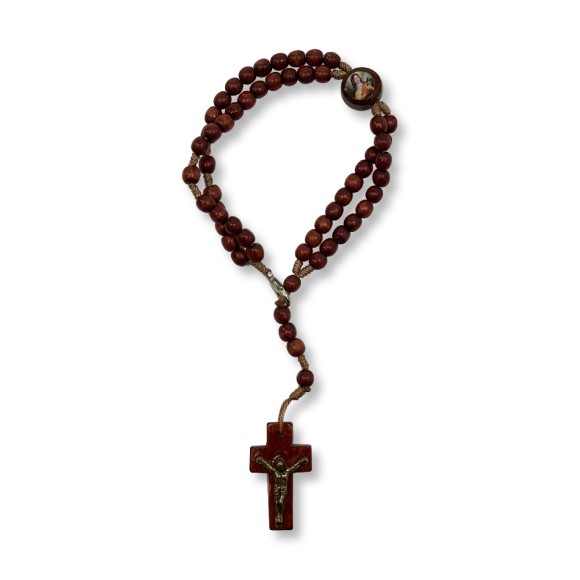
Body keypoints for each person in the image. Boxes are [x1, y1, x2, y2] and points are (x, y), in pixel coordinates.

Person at [256, 455, 309, 527]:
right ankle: (279, 516)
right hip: (276, 488)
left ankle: (279, 516)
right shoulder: (275, 472)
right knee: (277, 502)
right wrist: (262, 461)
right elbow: (268, 466)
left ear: (283, 466)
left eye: (281, 466)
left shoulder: (287, 472)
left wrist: (302, 462)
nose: (280, 467)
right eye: (279, 466)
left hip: (283, 488)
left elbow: (295, 467)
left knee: (281, 502)